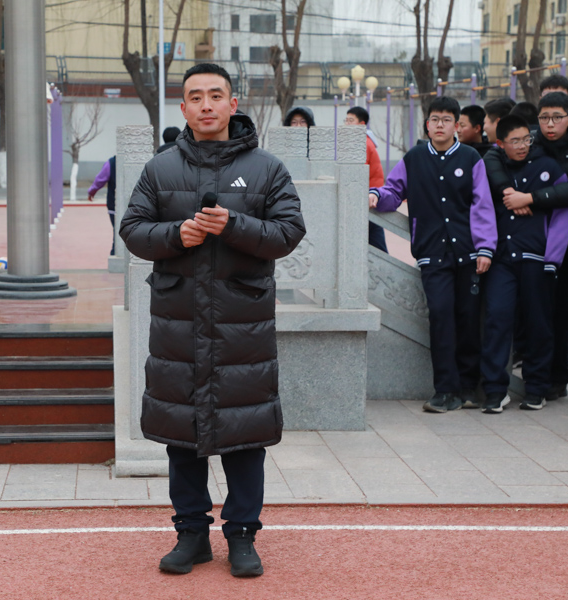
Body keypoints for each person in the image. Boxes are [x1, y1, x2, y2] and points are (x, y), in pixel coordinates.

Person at [119, 63, 306, 578]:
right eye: (196, 97)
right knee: (183, 436)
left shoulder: (266, 168)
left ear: (232, 104)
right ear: (183, 108)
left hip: (242, 326)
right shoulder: (160, 169)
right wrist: (177, 235)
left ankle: (242, 536)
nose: (206, 105)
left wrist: (234, 225)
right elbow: (132, 229)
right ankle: (192, 535)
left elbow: (289, 232)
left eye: (215, 95)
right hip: (178, 324)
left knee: (245, 435)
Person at [369, 96, 497, 413]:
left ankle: (468, 387)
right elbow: (394, 191)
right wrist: (376, 195)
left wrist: (485, 247)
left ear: (456, 125)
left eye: (446, 120)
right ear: (427, 125)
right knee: (440, 317)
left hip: (468, 254)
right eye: (435, 120)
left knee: (468, 320)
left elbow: (482, 205)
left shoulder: (470, 158)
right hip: (431, 253)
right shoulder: (414, 158)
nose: (440, 125)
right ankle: (445, 390)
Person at [483, 91, 568, 405]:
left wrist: (531, 199)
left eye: (556, 117)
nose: (549, 124)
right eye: (544, 117)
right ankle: (551, 381)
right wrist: (508, 190)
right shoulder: (528, 140)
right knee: (545, 316)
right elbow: (494, 156)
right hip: (528, 249)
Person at [479, 115, 568, 413]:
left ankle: (536, 388)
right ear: (500, 143)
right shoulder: (494, 170)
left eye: (526, 139)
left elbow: (563, 215)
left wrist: (553, 258)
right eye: (515, 141)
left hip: (538, 259)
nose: (522, 146)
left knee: (538, 323)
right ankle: (495, 390)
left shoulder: (549, 167)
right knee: (497, 319)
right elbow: (480, 207)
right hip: (502, 259)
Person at [346, 106, 389, 252]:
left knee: (374, 240)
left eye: (351, 120)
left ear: (362, 124)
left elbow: (356, 174)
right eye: (346, 120)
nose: (347, 124)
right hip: (370, 197)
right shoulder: (362, 142)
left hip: (368, 199)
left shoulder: (362, 144)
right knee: (375, 238)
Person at [87, 156, 117, 255]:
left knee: (117, 230)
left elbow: (100, 179)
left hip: (114, 204)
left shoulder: (112, 162)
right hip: (136, 204)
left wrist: (92, 191)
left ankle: (115, 252)